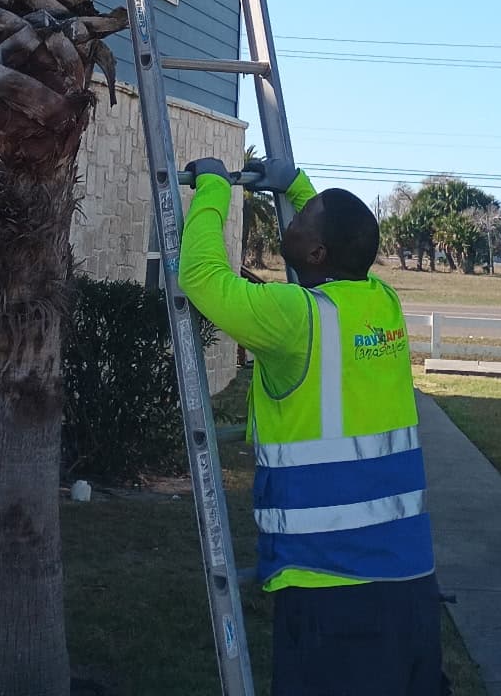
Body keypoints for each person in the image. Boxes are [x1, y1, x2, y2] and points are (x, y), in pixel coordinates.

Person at [178, 154, 446, 696]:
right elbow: (342, 231)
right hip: (411, 583)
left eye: (299, 223)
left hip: (332, 590)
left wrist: (213, 188)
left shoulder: (295, 317)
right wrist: (296, 186)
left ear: (318, 252)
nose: (291, 223)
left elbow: (201, 276)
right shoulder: (383, 303)